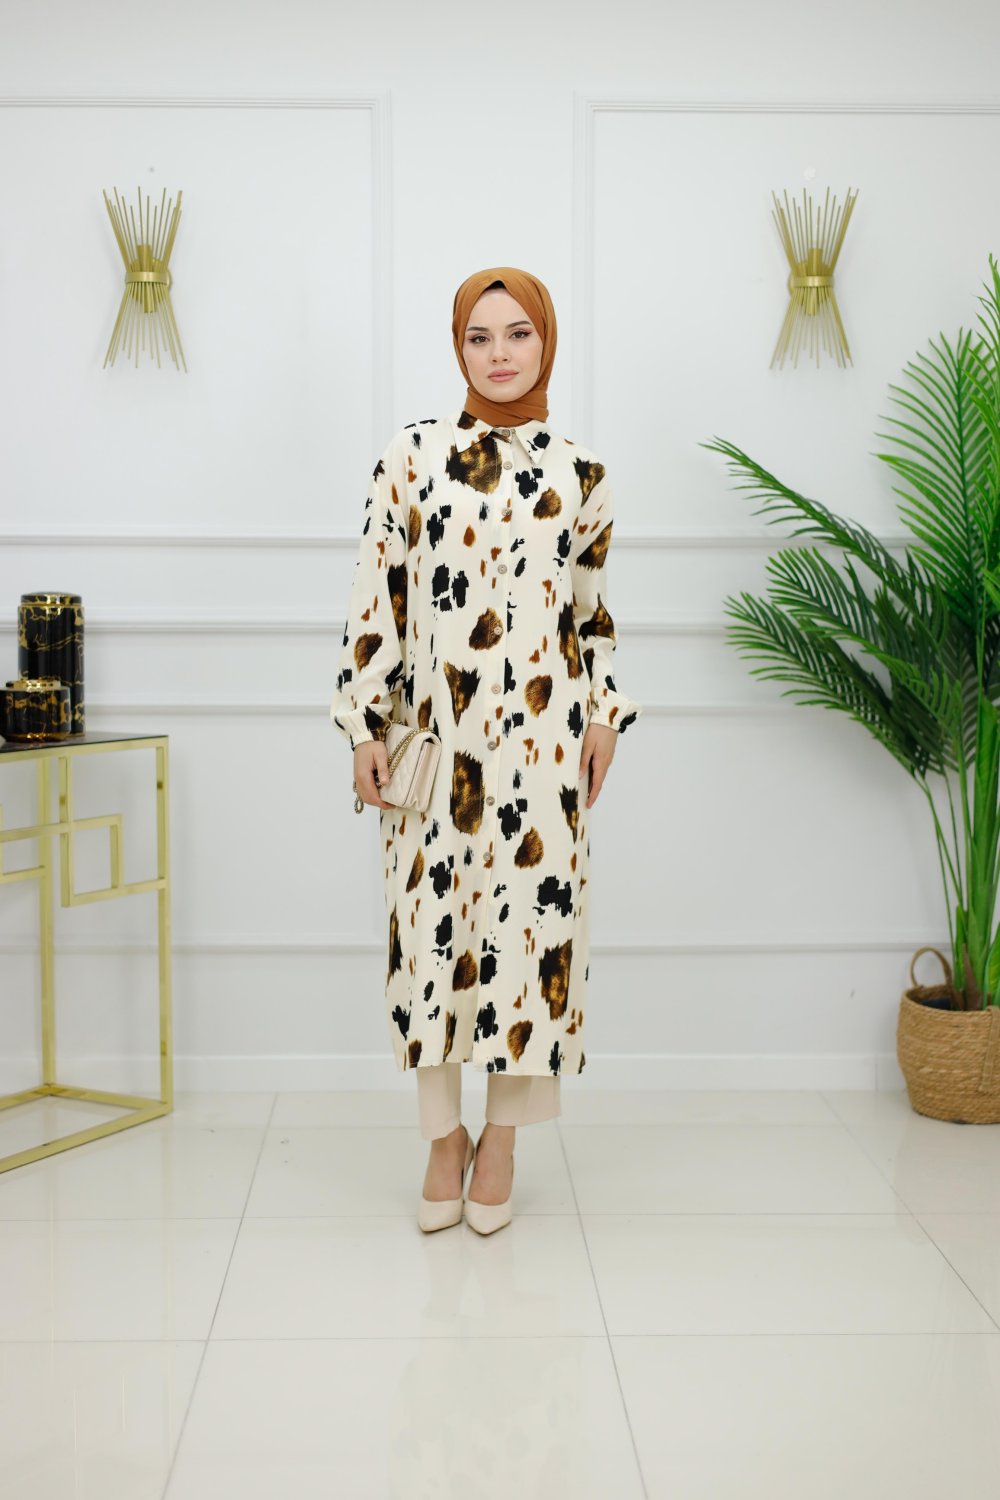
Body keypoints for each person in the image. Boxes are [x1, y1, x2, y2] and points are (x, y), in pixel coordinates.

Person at [329, 265, 641, 1234]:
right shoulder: (412, 456)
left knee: (529, 944)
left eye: (517, 334)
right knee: (428, 939)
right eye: (479, 336)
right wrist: (362, 725)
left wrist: (603, 715)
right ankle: (442, 1138)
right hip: (434, 751)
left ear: (546, 341)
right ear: (457, 346)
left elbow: (591, 618)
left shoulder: (580, 474)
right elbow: (376, 599)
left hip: (544, 754)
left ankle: (501, 1139)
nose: (499, 353)